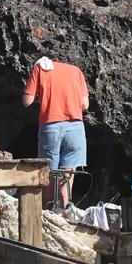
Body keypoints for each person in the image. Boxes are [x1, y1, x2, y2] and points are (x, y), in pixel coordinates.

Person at [21, 56, 88, 208]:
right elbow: (85, 105)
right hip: (76, 128)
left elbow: (27, 101)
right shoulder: (76, 71)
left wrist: (42, 96)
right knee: (68, 173)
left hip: (51, 126)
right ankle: (64, 210)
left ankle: (47, 210)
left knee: (49, 173)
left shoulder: (41, 68)